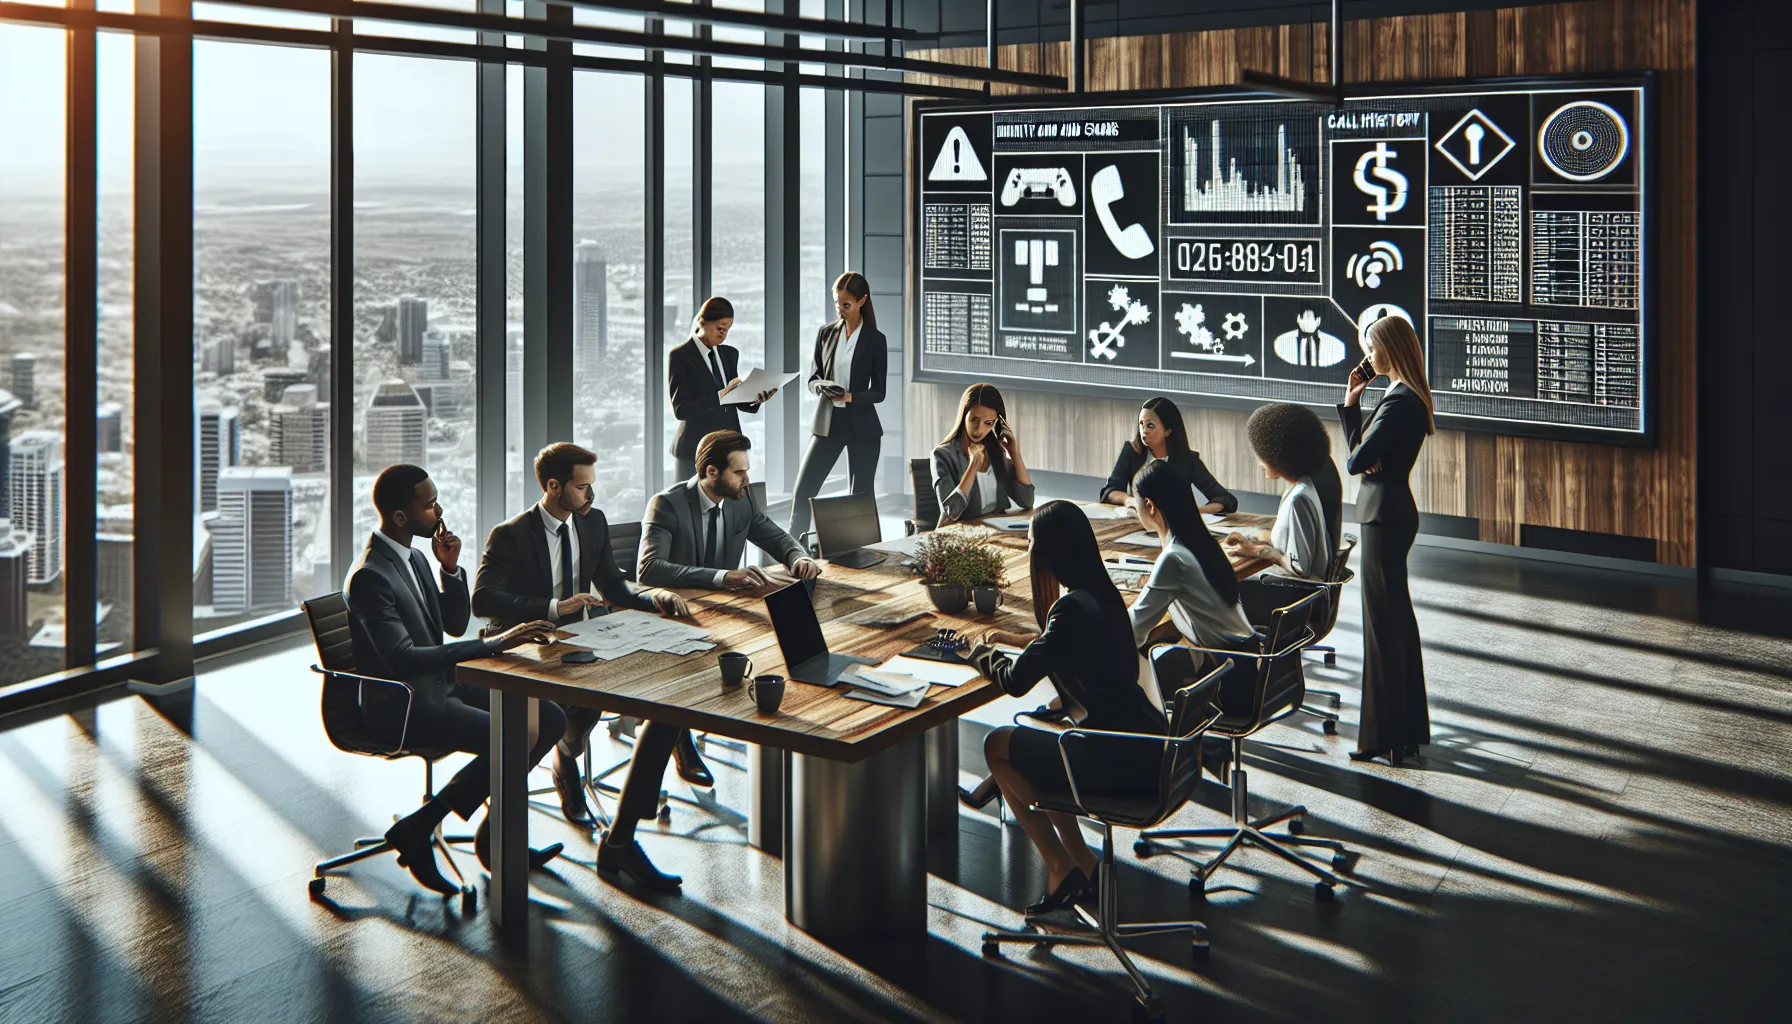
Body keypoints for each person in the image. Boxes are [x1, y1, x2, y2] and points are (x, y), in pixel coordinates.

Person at [344, 464, 566, 895]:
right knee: (513, 736)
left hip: (443, 686)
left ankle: (493, 837)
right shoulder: (371, 574)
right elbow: (402, 659)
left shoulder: (415, 556)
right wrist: (492, 646)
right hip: (404, 705)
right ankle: (423, 827)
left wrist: (450, 570)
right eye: (429, 505)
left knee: (551, 718)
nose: (439, 510)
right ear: (401, 517)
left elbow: (452, 623)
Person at [472, 442, 705, 832]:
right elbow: (482, 600)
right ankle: (557, 769)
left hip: (581, 640)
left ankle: (566, 756)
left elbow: (613, 586)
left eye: (591, 486)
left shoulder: (593, 522)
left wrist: (654, 597)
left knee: (606, 696)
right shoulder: (510, 535)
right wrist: (552, 607)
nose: (590, 495)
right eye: (582, 487)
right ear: (553, 486)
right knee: (563, 710)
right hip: (530, 646)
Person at [965, 502, 1168, 915]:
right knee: (1047, 747)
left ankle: (1061, 867)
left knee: (997, 746)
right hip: (1150, 749)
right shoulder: (1103, 595)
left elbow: (1016, 681)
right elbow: (1062, 646)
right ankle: (1086, 868)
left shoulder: (1069, 610)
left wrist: (977, 654)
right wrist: (1023, 640)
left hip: (1116, 762)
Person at [1338, 316, 1433, 767]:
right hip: (1392, 512)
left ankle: (1380, 738)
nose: (1368, 357)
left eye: (1372, 348)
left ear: (1389, 350)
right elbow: (1363, 454)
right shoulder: (1404, 397)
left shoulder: (1398, 403)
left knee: (1381, 630)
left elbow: (1356, 460)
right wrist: (1352, 403)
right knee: (1396, 624)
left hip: (1382, 516)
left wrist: (1364, 451)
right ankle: (1404, 734)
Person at [639, 429, 823, 591]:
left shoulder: (741, 501)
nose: (747, 480)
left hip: (729, 604)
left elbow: (774, 537)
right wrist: (724, 577)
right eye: (738, 472)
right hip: (680, 607)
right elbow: (649, 569)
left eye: (746, 471)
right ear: (712, 472)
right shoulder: (666, 505)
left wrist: (798, 558)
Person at [1224, 402, 1344, 624]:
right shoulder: (1309, 483)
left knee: (1217, 592)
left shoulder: (1299, 499)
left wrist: (1263, 552)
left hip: (1294, 602)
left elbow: (1300, 568)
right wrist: (1262, 539)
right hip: (1305, 597)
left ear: (1278, 452)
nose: (1259, 460)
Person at [788, 272, 887, 539]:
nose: (841, 310)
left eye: (846, 304)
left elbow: (879, 392)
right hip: (828, 422)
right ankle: (790, 554)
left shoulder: (875, 340)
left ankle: (862, 553)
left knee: (860, 498)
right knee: (803, 491)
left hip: (862, 427)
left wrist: (851, 397)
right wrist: (820, 387)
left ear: (862, 301)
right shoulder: (825, 334)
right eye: (837, 304)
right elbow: (812, 378)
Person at [668, 296, 778, 481]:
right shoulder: (680, 357)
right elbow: (682, 409)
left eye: (727, 330)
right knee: (691, 506)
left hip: (728, 448)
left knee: (733, 503)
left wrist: (755, 398)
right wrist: (719, 396)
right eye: (720, 329)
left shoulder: (729, 354)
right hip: (695, 449)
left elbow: (733, 398)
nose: (724, 335)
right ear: (703, 322)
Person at [1098, 396, 1237, 515]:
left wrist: (1193, 513)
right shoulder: (1132, 452)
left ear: (1168, 431)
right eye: (1141, 424)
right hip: (1140, 524)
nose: (1144, 431)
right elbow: (1110, 491)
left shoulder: (1188, 460)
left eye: (1150, 426)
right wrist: (1131, 501)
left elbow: (1225, 499)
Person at [931, 382, 1035, 527]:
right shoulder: (942, 455)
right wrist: (973, 466)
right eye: (974, 420)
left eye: (988, 423)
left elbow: (1027, 501)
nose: (978, 429)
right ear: (963, 416)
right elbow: (951, 512)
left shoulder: (996, 451)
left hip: (995, 530)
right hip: (961, 534)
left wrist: (1014, 453)